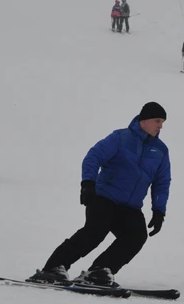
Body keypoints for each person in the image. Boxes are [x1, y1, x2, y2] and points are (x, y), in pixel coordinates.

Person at [28, 102, 171, 286]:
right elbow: (93, 157)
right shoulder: (120, 138)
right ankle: (53, 268)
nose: (161, 126)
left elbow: (162, 182)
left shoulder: (160, 150)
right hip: (105, 197)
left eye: (163, 122)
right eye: (157, 121)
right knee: (94, 232)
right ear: (144, 120)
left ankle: (99, 272)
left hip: (130, 206)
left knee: (136, 236)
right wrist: (88, 183)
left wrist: (159, 210)